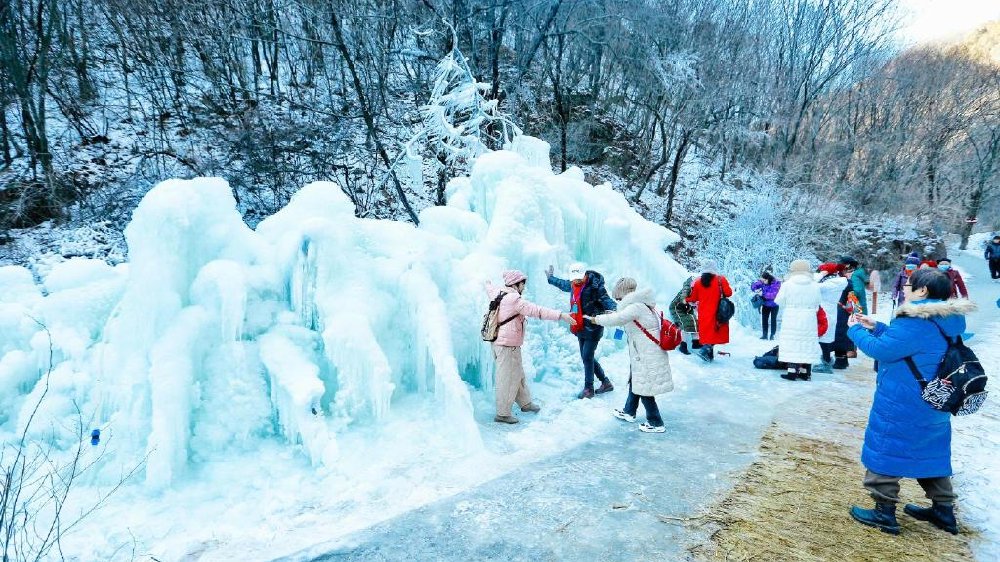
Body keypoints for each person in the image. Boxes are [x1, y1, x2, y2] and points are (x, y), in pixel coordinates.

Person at [847, 269, 976, 535]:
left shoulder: (914, 320)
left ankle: (884, 512)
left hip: (903, 398)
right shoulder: (947, 319)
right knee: (930, 452)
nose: (905, 288)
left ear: (922, 291)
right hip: (936, 397)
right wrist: (878, 327)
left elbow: (881, 350)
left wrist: (856, 330)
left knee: (886, 448)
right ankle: (943, 511)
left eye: (908, 284)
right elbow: (916, 346)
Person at [486, 270, 576, 424]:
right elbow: (537, 311)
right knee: (507, 378)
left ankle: (525, 403)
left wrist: (486, 282)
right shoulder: (514, 299)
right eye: (522, 283)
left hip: (501, 343)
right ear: (515, 284)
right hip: (508, 345)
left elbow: (489, 288)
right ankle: (502, 413)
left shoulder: (498, 292)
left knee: (518, 374)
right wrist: (560, 315)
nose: (524, 287)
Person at [586, 278, 673, 433]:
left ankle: (655, 422)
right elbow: (623, 317)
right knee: (636, 381)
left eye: (619, 297)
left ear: (625, 294)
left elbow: (618, 319)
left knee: (645, 387)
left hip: (646, 354)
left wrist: (595, 319)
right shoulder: (641, 305)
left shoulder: (635, 307)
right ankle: (629, 411)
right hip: (645, 352)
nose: (617, 300)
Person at [546, 262, 617, 399]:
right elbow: (563, 284)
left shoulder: (595, 286)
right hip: (579, 326)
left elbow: (606, 299)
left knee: (587, 356)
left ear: (585, 274)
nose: (576, 281)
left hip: (593, 325)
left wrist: (615, 309)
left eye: (579, 278)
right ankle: (605, 382)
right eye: (574, 278)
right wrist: (551, 278)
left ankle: (588, 389)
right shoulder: (573, 284)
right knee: (587, 357)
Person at [774, 260, 822, 381]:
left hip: (792, 315)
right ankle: (805, 372)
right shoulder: (815, 284)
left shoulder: (788, 284)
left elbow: (778, 300)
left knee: (792, 343)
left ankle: (792, 372)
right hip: (809, 316)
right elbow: (818, 302)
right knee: (807, 343)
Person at [685, 259, 733, 363]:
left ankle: (708, 357)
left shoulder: (698, 282)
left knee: (708, 335)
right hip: (718, 313)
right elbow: (729, 293)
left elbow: (693, 298)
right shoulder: (721, 279)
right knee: (715, 334)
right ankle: (705, 350)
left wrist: (685, 299)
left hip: (704, 314)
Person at [814, 263, 848, 374]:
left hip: (825, 312)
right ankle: (826, 360)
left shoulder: (830, 284)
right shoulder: (835, 281)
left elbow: (811, 285)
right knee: (824, 339)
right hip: (828, 311)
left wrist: (819, 275)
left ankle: (826, 362)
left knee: (824, 339)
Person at [668, 275, 699, 355]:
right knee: (684, 323)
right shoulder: (687, 288)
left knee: (695, 322)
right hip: (677, 307)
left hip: (687, 308)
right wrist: (691, 302)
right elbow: (683, 298)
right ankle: (683, 345)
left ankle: (696, 343)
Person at [751, 271, 781, 340]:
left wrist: (763, 294)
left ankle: (772, 335)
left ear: (768, 279)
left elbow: (774, 295)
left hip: (774, 304)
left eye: (765, 280)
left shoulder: (776, 283)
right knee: (764, 319)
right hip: (765, 304)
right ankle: (764, 335)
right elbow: (753, 287)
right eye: (763, 280)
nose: (764, 282)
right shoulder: (763, 282)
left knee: (773, 319)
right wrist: (757, 287)